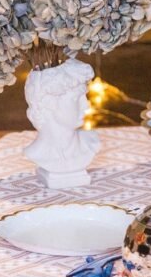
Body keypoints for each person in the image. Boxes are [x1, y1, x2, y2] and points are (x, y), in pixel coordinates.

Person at [24, 58, 100, 186]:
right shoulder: (37, 153)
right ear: (48, 103)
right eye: (76, 98)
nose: (86, 106)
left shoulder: (91, 144)